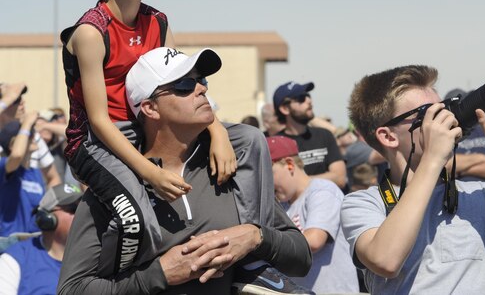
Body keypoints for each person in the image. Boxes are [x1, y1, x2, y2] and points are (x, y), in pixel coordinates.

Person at [58, 47, 313, 294]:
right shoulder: (116, 187)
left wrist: (255, 237)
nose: (201, 88)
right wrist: (160, 274)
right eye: (184, 85)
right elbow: (72, 289)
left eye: (201, 80)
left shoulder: (230, 167)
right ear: (150, 108)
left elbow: (301, 257)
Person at [59, 0, 236, 273]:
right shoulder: (91, 32)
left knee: (246, 139)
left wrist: (218, 132)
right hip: (96, 142)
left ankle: (250, 257)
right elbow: (98, 121)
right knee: (135, 218)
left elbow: (180, 85)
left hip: (145, 128)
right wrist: (148, 173)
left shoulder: (159, 22)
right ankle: (119, 281)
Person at [341, 65, 485, 294]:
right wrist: (434, 158)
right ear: (388, 136)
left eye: (444, 109)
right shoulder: (363, 203)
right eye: (428, 114)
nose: (445, 120)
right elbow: (385, 261)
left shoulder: (484, 196)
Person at [266, 135, 359, 294]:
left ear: (289, 164)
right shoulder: (281, 205)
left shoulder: (322, 190)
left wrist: (263, 241)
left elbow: (314, 240)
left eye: (269, 174)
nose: (266, 183)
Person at [0, 183, 83, 295]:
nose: (82, 215)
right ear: (47, 218)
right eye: (74, 209)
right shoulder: (15, 260)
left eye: (83, 210)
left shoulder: (93, 261)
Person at [274, 81, 347, 189]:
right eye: (301, 98)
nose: (309, 101)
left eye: (308, 96)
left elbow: (340, 178)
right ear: (285, 109)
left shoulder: (324, 135)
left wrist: (301, 181)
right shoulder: (275, 143)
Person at [0, 114, 45, 252]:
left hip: (29, 246)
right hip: (7, 245)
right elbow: (17, 155)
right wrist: (26, 124)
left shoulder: (36, 173)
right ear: (13, 144)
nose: (33, 135)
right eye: (28, 134)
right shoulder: (4, 166)